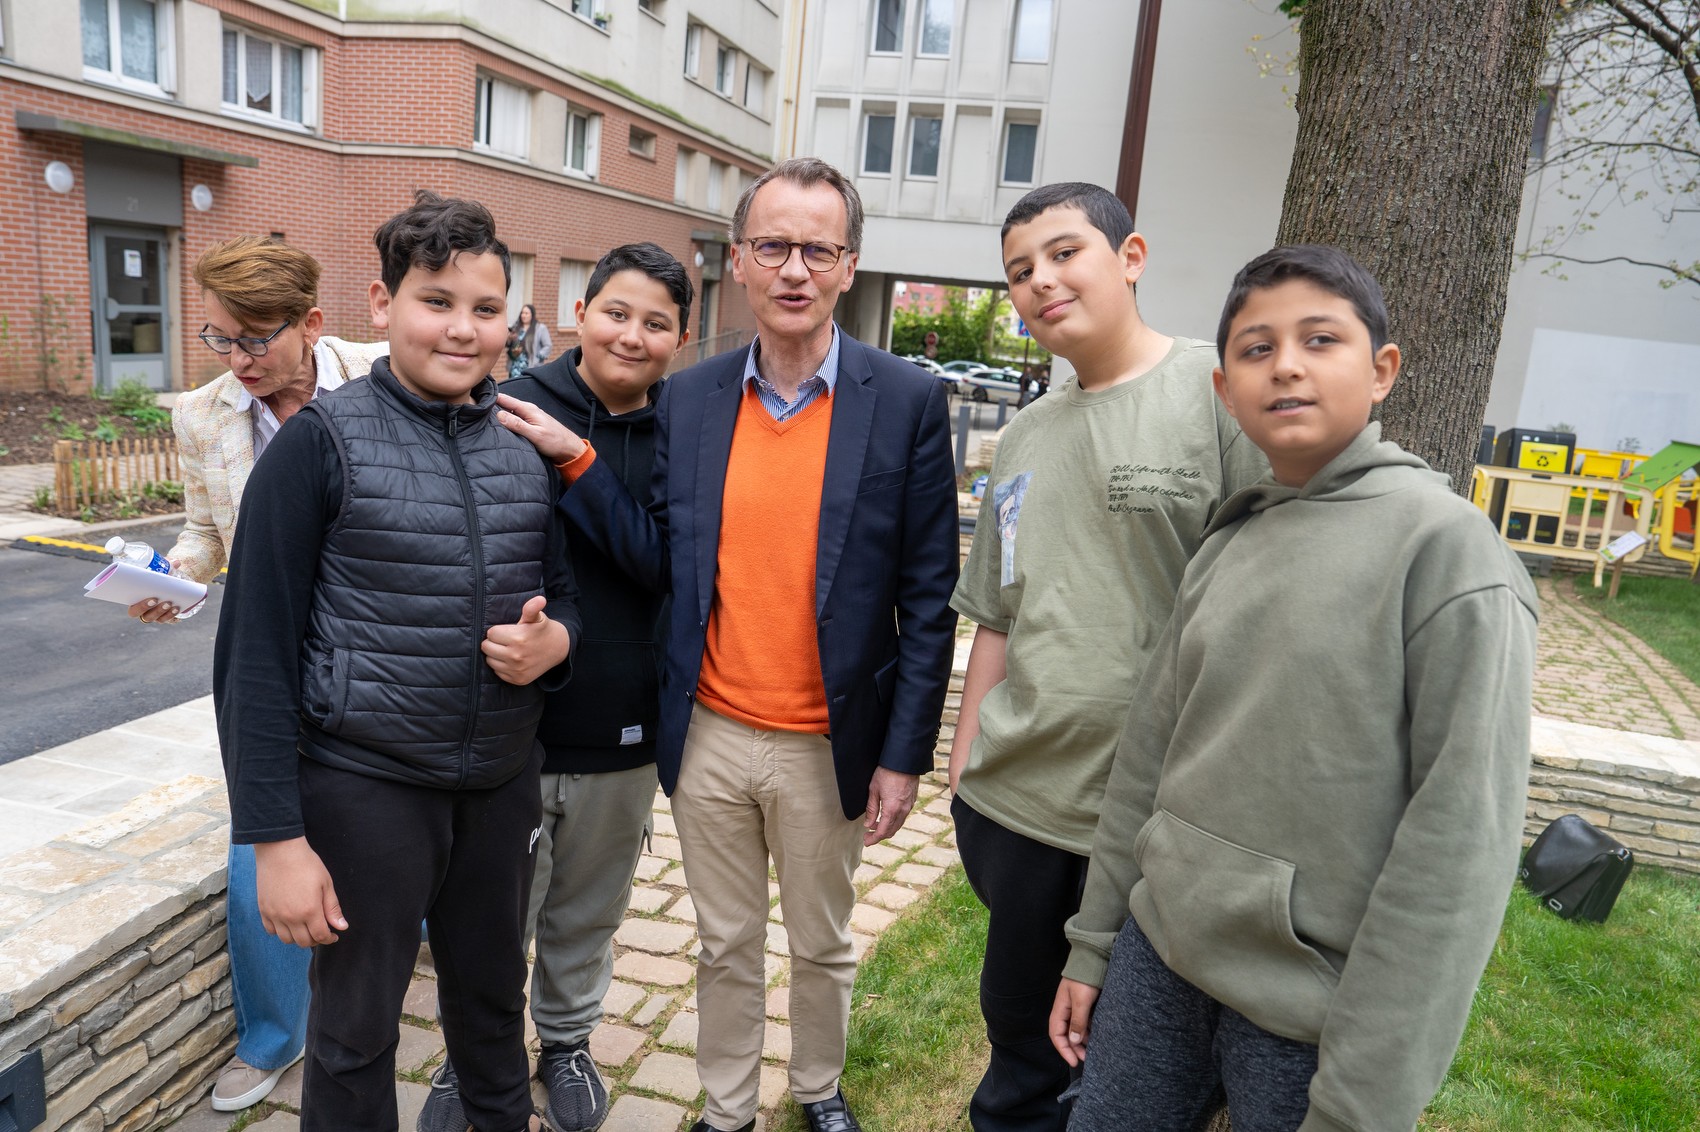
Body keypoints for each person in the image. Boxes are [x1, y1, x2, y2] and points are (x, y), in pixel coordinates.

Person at [498, 157, 960, 1132]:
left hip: (827, 740)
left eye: (818, 250)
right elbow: (659, 558)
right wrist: (578, 461)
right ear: (740, 261)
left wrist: (903, 756)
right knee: (724, 942)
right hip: (707, 731)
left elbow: (928, 598)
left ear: (848, 265)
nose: (794, 269)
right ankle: (726, 1106)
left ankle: (819, 1087)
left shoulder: (906, 400)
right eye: (773, 246)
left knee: (822, 942)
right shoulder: (692, 398)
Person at [1052, 245, 1538, 1132]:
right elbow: (1146, 760)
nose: (1285, 365)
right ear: (1224, 391)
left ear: (1382, 369)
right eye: (1256, 348)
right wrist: (1093, 945)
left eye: (1320, 339)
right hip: (1159, 959)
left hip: (1309, 1008)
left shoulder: (1449, 554)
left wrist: (1363, 1101)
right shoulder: (1230, 541)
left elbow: (1457, 850)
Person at [214, 190, 581, 1132]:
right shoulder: (319, 443)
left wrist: (557, 644)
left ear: (510, 319)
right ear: (382, 305)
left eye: (486, 308)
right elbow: (253, 656)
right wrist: (273, 843)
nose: (463, 329)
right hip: (364, 791)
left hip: (499, 787)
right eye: (436, 301)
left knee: (492, 1014)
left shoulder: (524, 449)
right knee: (355, 1033)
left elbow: (567, 598)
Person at [948, 182, 1268, 1132]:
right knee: (1020, 1045)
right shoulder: (1024, 438)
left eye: (1063, 253)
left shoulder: (1219, 394)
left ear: (1130, 258)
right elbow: (997, 615)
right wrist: (964, 774)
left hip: (1158, 819)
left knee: (1136, 1073)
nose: (1040, 281)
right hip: (1019, 807)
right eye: (1019, 271)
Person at [416, 242, 692, 1132]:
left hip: (625, 721)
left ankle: (567, 1042)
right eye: (616, 312)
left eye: (656, 323)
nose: (632, 335)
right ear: (581, 312)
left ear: (681, 339)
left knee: (588, 909)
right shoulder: (504, 404)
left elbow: (669, 569)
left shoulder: (687, 433)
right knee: (493, 914)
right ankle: (473, 1055)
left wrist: (577, 459)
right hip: (511, 723)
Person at [126, 235, 385, 1113]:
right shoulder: (202, 414)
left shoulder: (384, 372)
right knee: (261, 838)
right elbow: (206, 530)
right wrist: (173, 577)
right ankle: (274, 1036)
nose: (235, 359)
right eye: (219, 337)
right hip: (274, 651)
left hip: (389, 646)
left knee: (393, 819)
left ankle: (393, 957)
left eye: (254, 339)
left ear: (311, 323)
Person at [509, 302, 552, 378]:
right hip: (516, 366)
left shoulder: (540, 328)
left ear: (532, 315)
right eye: (522, 313)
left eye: (526, 313)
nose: (523, 315)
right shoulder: (517, 327)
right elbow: (510, 344)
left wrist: (538, 357)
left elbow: (548, 345)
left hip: (530, 366)